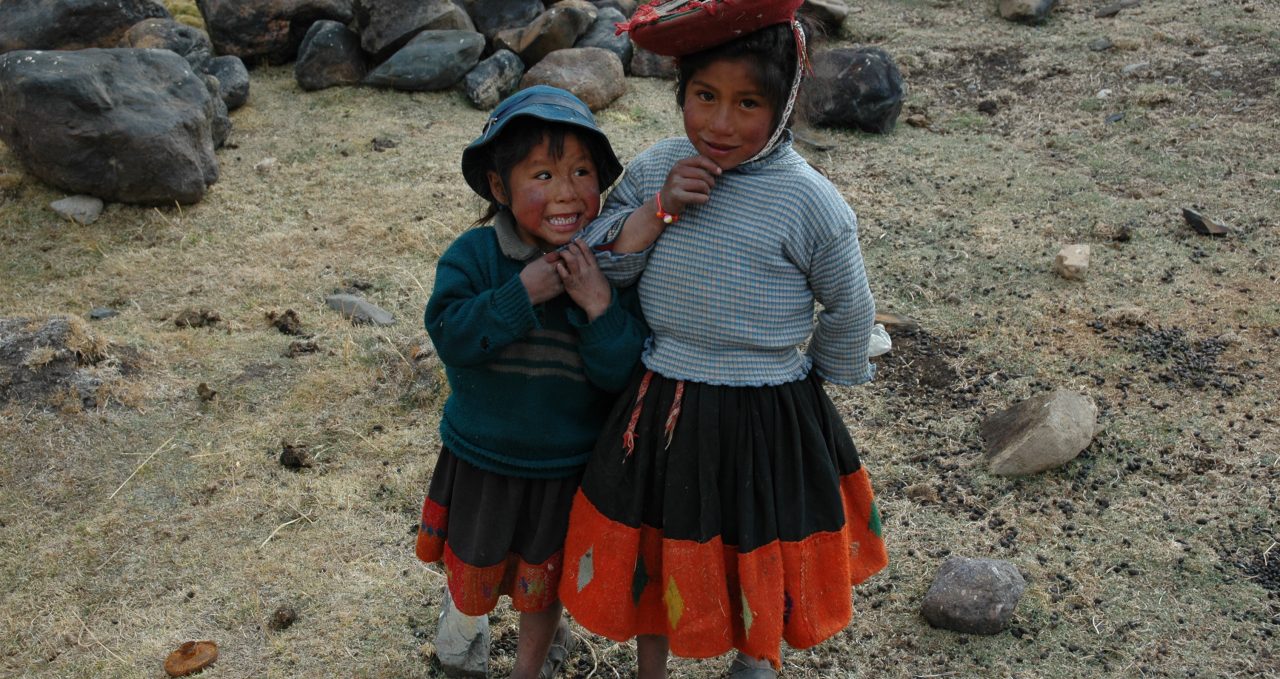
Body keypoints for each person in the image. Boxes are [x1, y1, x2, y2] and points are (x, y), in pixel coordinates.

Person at [556, 3, 888, 678]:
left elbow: (850, 305)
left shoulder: (811, 203)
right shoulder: (658, 168)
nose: (719, 123)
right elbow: (603, 260)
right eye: (704, 97)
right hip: (663, 398)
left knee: (753, 530)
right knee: (660, 532)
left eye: (746, 103)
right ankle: (655, 656)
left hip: (767, 404)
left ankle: (756, 652)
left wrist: (818, 381)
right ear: (681, 90)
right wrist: (658, 209)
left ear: (786, 104)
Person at [415, 85, 647, 679]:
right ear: (499, 187)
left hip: (563, 469)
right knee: (474, 575)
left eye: (581, 171)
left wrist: (599, 308)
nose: (567, 191)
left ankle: (529, 668)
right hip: (484, 460)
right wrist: (522, 293)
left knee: (542, 587)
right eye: (542, 173)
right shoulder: (475, 256)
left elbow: (620, 375)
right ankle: (461, 631)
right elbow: (452, 335)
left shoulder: (608, 267)